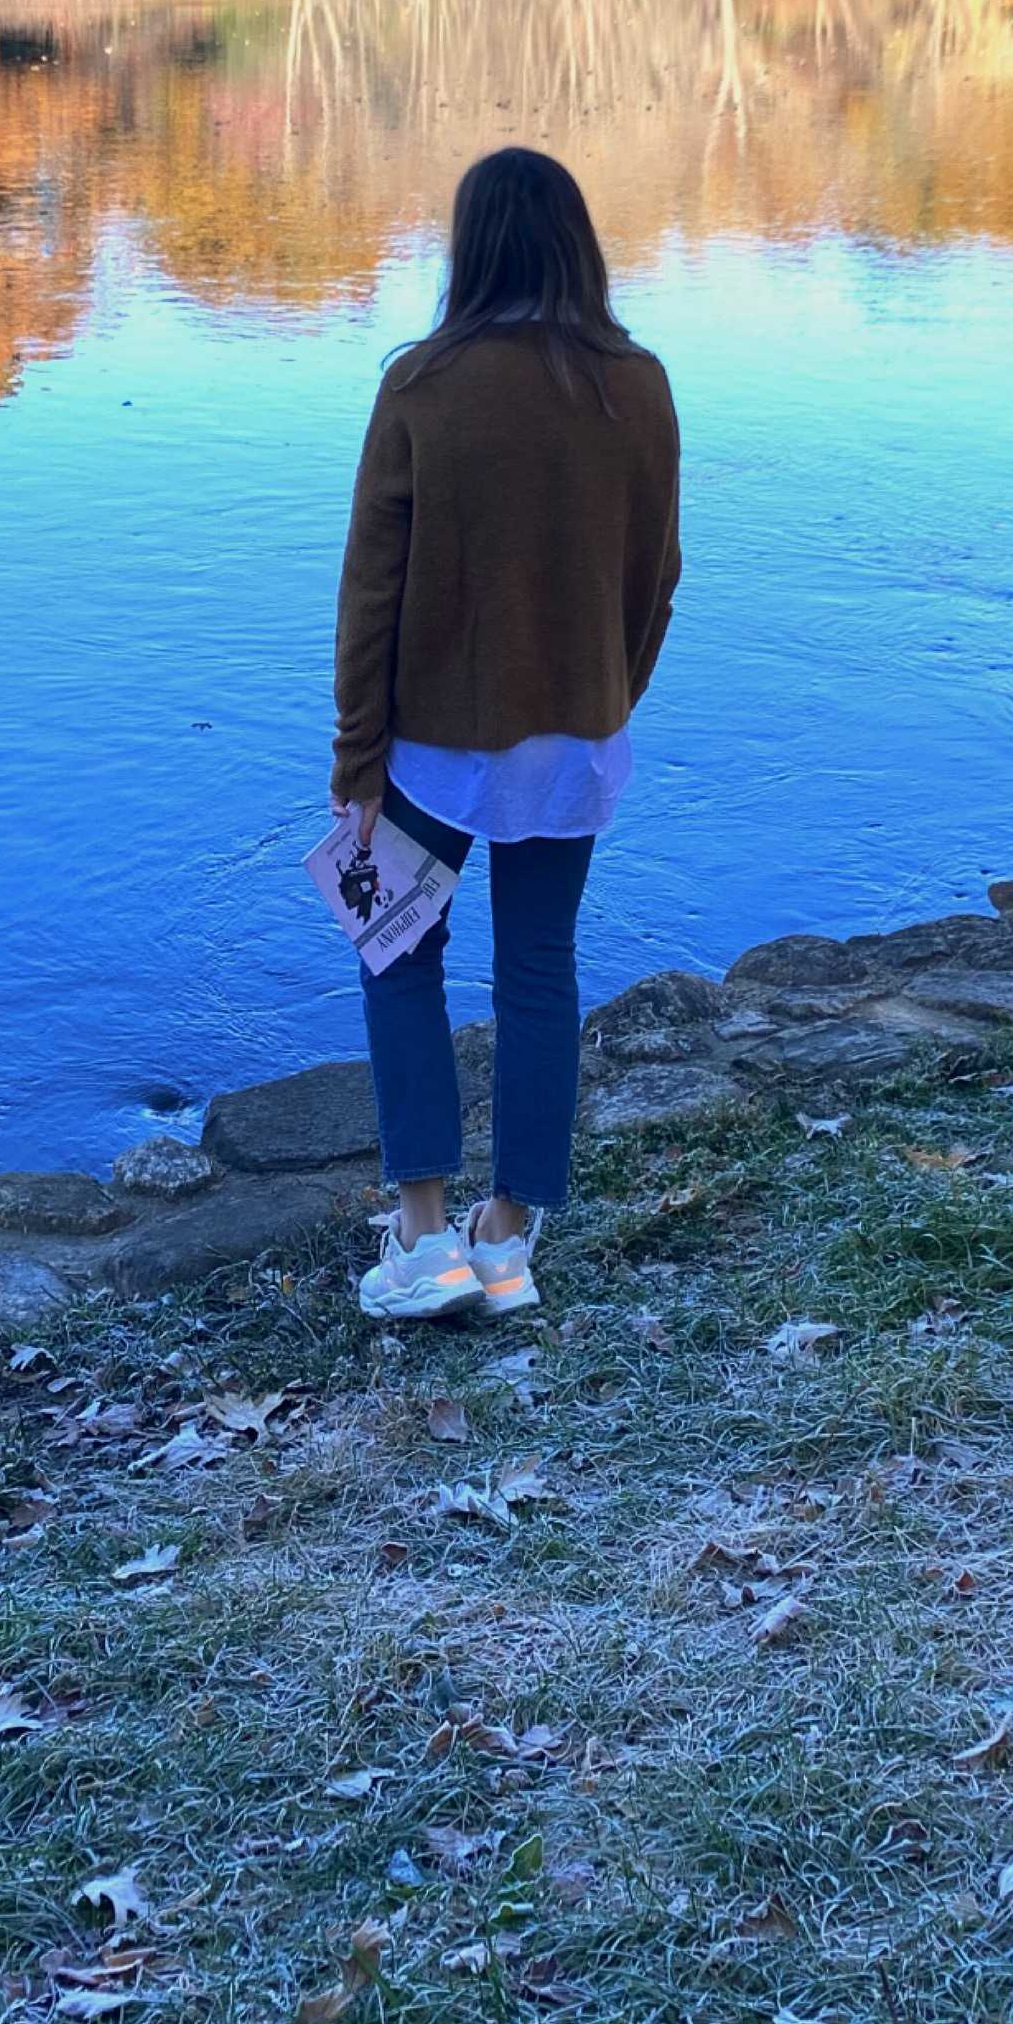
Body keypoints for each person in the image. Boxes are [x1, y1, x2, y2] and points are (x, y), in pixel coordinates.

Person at [329, 146, 681, 1321]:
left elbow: (372, 589)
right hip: (574, 740)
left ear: (468, 247)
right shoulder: (637, 386)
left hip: (432, 743)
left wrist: (354, 759)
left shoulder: (424, 385)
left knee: (399, 958)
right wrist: (606, 694)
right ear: (578, 244)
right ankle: (510, 1237)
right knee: (539, 973)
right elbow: (657, 577)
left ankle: (423, 1237)